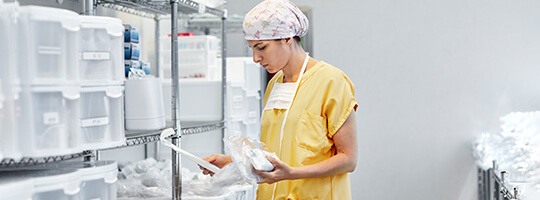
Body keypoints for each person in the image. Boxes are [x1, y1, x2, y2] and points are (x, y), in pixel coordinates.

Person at [201, 0, 358, 199]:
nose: (255, 58)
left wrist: (291, 174)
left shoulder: (332, 81)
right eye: (252, 48)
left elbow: (348, 159)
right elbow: (278, 152)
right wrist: (233, 162)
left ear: (286, 38)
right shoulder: (275, 83)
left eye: (261, 47)